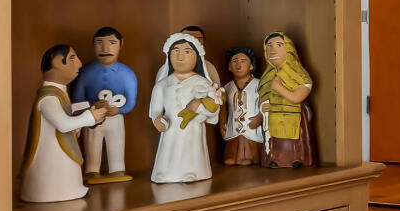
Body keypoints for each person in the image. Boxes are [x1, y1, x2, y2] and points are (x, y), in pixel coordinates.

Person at [20, 43, 117, 204]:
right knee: (58, 173)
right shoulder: (49, 98)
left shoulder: (59, 93)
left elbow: (69, 115)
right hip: (52, 158)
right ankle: (55, 192)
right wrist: (90, 116)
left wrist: (92, 110)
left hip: (62, 155)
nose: (79, 64)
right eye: (73, 58)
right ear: (58, 62)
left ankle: (71, 189)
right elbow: (63, 124)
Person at [148, 32, 221, 184]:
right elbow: (155, 109)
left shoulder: (203, 83)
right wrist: (157, 119)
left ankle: (192, 171)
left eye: (187, 52)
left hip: (192, 128)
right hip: (170, 128)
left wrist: (197, 106)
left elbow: (214, 110)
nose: (180, 57)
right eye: (175, 51)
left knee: (190, 147)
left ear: (197, 57)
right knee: (169, 148)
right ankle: (164, 172)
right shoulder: (162, 84)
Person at [71, 27, 141, 182]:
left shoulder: (128, 74)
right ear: (93, 44)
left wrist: (119, 109)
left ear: (121, 44)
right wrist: (93, 105)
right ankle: (91, 170)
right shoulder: (85, 73)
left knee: (116, 142)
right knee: (92, 143)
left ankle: (117, 169)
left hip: (115, 118)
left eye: (112, 43)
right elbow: (77, 100)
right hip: (92, 118)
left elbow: (131, 102)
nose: (105, 49)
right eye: (99, 43)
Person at [259, 31, 314, 169]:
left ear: (289, 49)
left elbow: (296, 98)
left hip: (293, 117)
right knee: (276, 141)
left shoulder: (300, 75)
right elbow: (262, 97)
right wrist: (262, 107)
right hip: (274, 118)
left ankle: (296, 159)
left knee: (293, 142)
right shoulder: (267, 77)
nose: (273, 50)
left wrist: (278, 87)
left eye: (279, 45)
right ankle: (275, 159)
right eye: (269, 46)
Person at [218, 45, 266, 166]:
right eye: (234, 61)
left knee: (249, 143)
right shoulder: (227, 87)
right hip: (233, 127)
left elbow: (264, 104)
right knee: (232, 148)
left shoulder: (259, 85)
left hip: (251, 127)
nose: (238, 65)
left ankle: (250, 157)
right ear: (229, 66)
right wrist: (222, 122)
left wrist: (259, 118)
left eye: (243, 61)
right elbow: (223, 107)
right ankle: (233, 156)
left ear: (251, 66)